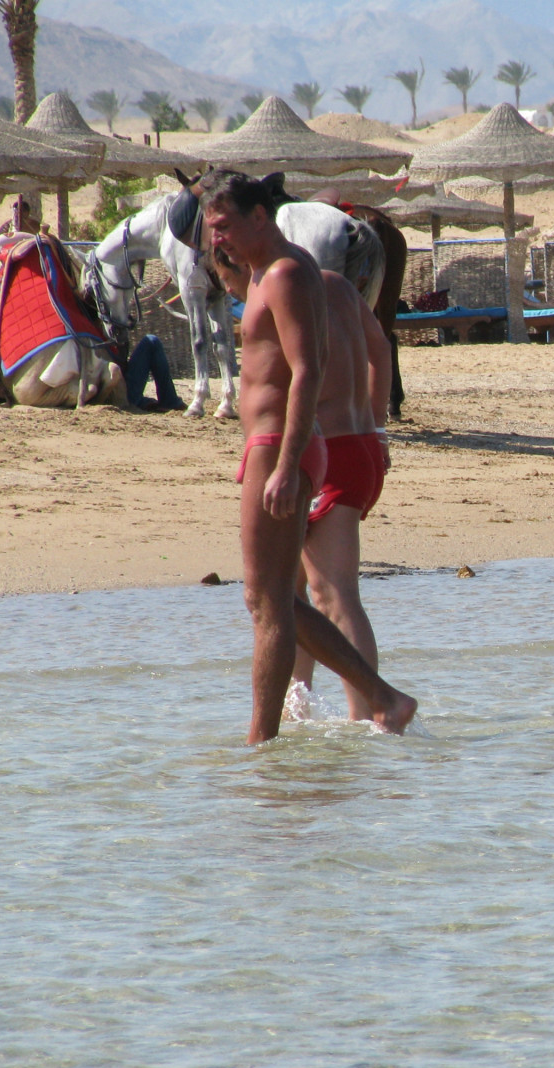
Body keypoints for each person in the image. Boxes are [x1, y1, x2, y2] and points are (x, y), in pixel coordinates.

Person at [197, 168, 416, 744]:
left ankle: (267, 742)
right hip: (286, 445)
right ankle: (358, 702)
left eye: (223, 226)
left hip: (284, 447)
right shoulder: (276, 275)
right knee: (274, 599)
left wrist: (291, 464)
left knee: (286, 600)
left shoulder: (290, 273)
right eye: (209, 228)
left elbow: (306, 372)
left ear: (261, 216)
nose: (216, 237)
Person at [212, 243, 394, 721]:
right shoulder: (336, 285)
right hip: (361, 446)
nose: (234, 292)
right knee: (289, 595)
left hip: (327, 450)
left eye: (227, 283)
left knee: (332, 595)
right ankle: (298, 711)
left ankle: (369, 717)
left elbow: (297, 375)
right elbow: (380, 346)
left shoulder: (287, 295)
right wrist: (377, 425)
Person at [120, 334, 183, 412]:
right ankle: (170, 401)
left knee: (151, 341)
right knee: (151, 342)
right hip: (120, 395)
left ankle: (168, 401)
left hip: (121, 390)